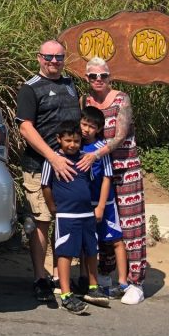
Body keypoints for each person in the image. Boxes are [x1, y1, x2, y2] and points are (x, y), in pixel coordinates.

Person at [75, 56, 147, 305]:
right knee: (101, 223)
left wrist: (96, 153)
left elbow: (120, 135)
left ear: (110, 77)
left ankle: (135, 281)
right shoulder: (84, 100)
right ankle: (104, 275)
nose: (98, 80)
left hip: (124, 169)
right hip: (94, 172)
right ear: (87, 78)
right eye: (93, 76)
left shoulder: (121, 99)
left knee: (130, 225)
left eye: (103, 76)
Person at [16, 39, 81, 303]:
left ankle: (58, 274)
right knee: (42, 221)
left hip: (68, 169)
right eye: (49, 57)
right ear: (39, 58)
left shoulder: (70, 85)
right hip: (40, 167)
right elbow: (25, 128)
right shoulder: (30, 89)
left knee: (64, 221)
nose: (54, 62)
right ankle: (39, 278)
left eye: (59, 58)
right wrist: (52, 157)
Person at [41, 122, 112, 315]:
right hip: (66, 216)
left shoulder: (85, 159)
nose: (72, 144)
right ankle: (65, 295)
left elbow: (89, 181)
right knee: (65, 252)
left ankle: (93, 286)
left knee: (90, 249)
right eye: (68, 140)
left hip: (87, 214)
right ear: (59, 140)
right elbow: (45, 185)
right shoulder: (53, 160)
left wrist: (97, 207)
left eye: (76, 141)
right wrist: (52, 207)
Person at [79, 105, 130, 300]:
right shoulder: (76, 145)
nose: (86, 129)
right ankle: (85, 279)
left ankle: (123, 282)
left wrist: (101, 206)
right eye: (84, 124)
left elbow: (108, 177)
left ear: (99, 129)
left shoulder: (102, 149)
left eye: (91, 126)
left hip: (105, 205)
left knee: (115, 240)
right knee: (86, 243)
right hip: (84, 204)